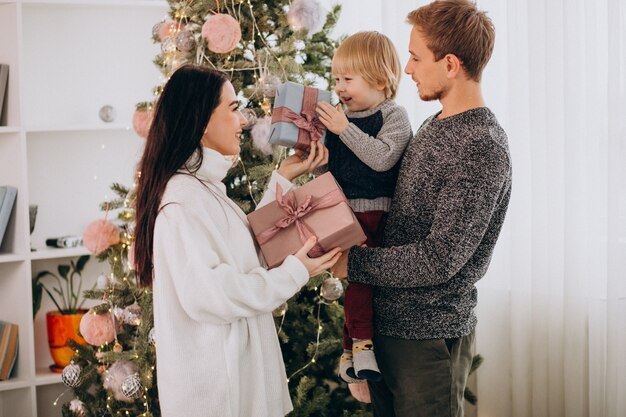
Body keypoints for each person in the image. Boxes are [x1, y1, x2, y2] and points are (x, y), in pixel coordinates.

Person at [330, 1, 513, 416]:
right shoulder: (434, 126)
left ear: (450, 64)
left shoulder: (480, 146)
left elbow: (439, 259)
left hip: (426, 337)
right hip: (389, 328)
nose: (407, 69)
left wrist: (353, 265)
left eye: (414, 57)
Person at [133, 64, 341, 417]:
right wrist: (295, 272)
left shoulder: (205, 189)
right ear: (201, 121)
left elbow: (248, 250)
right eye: (232, 109)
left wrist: (284, 176)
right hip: (219, 399)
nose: (243, 120)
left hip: (237, 390)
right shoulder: (183, 200)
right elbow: (212, 295)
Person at [314, 31, 413, 383]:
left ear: (380, 80)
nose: (339, 88)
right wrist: (317, 159)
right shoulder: (340, 119)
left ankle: (359, 344)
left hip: (376, 212)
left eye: (347, 79)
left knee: (362, 281)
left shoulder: (394, 116)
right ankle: (354, 346)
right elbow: (332, 169)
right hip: (341, 213)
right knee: (352, 281)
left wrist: (344, 130)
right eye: (336, 78)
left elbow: (383, 159)